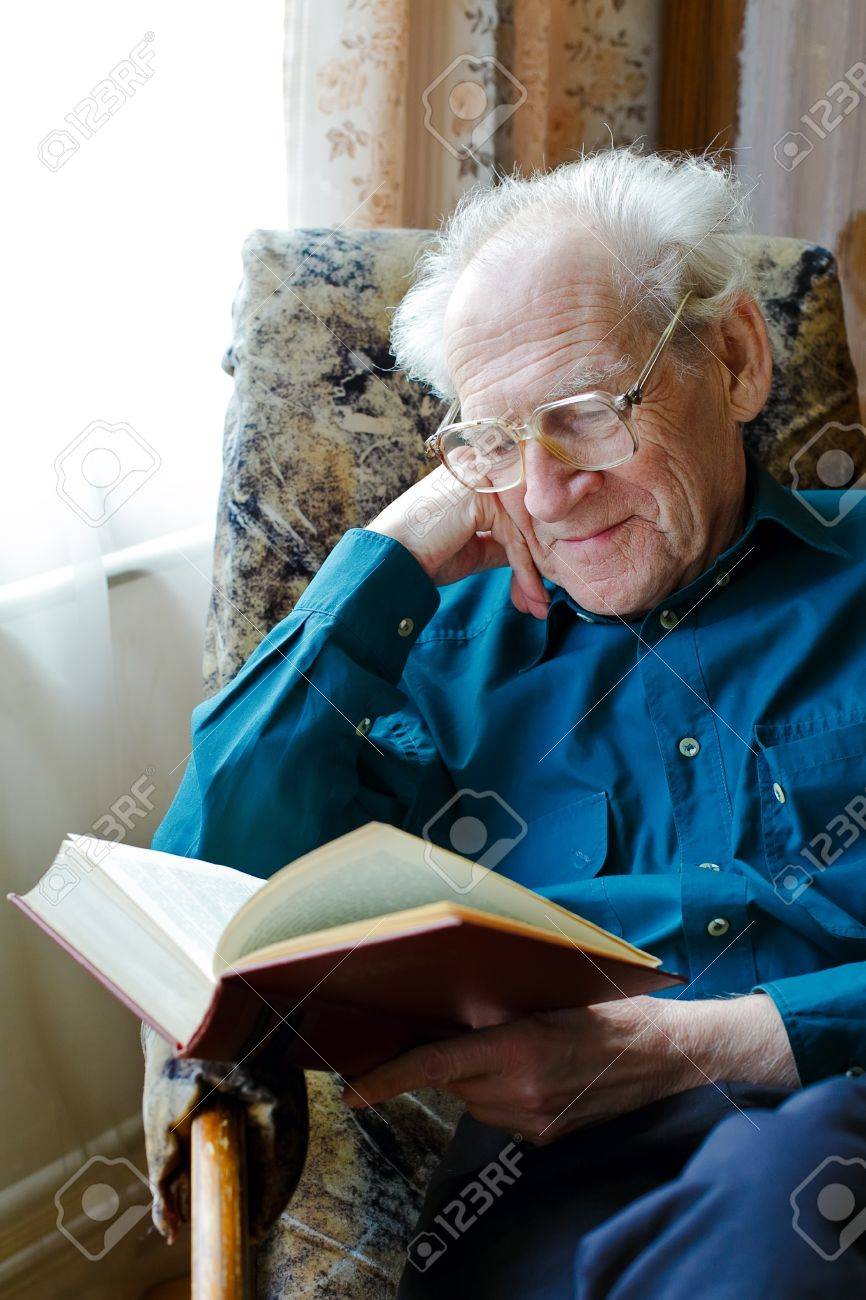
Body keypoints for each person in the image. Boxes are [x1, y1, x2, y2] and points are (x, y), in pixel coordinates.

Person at [152, 150, 866, 1295]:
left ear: (733, 356)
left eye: (583, 414)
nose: (541, 491)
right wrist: (390, 550)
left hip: (833, 1138)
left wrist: (719, 1039)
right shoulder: (432, 653)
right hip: (554, 1195)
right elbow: (211, 904)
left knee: (807, 1171)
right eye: (491, 439)